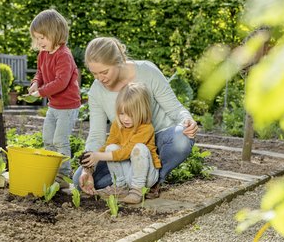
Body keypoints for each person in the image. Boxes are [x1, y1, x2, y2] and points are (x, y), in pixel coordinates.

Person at [72, 37, 198, 197]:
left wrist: (187, 120)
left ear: (119, 61)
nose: (100, 79)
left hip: (157, 142)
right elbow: (96, 135)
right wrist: (87, 169)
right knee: (79, 181)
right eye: (94, 74)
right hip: (125, 148)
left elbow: (175, 109)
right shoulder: (97, 91)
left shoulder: (147, 71)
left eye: (104, 72)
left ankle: (153, 182)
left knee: (182, 138)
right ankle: (131, 182)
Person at [81, 82, 160, 204]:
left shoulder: (146, 128)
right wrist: (91, 161)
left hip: (147, 176)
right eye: (122, 113)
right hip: (130, 173)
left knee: (139, 148)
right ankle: (120, 187)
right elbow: (108, 146)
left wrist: (99, 156)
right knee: (110, 148)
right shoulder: (117, 125)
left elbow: (127, 152)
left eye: (131, 115)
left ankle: (138, 191)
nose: (125, 118)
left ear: (142, 111)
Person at [28, 9, 80, 185]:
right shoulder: (42, 54)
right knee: (48, 139)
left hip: (68, 106)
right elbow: (40, 73)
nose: (39, 42)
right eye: (37, 38)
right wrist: (36, 83)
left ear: (55, 33)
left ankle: (64, 175)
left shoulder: (64, 55)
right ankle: (52, 171)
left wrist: (41, 92)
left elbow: (61, 82)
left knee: (60, 140)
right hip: (54, 106)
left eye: (42, 37)